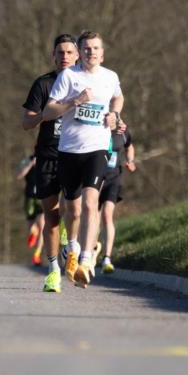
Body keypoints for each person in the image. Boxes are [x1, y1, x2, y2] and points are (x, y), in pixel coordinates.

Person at [42, 31, 124, 288]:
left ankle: (87, 260)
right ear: (80, 53)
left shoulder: (110, 77)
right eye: (86, 49)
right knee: (73, 210)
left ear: (102, 52)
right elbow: (47, 112)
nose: (91, 53)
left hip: (97, 149)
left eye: (96, 48)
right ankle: (74, 247)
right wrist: (75, 101)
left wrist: (115, 115)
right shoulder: (69, 76)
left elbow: (118, 97)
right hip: (69, 151)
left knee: (91, 204)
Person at [22, 34, 80, 291]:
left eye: (69, 52)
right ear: (53, 56)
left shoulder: (86, 83)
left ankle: (71, 243)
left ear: (78, 55)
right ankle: (53, 269)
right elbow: (26, 122)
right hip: (47, 155)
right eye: (60, 52)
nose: (65, 56)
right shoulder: (43, 84)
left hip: (75, 153)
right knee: (51, 215)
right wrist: (44, 116)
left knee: (74, 208)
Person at [99, 128, 136, 274]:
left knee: (107, 215)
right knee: (92, 215)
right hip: (95, 178)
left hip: (113, 179)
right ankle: (89, 251)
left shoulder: (123, 132)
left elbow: (130, 146)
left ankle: (106, 258)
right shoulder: (98, 128)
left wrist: (130, 160)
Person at [16, 155, 44, 264]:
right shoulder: (27, 160)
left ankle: (37, 254)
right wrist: (30, 164)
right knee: (31, 226)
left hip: (41, 197)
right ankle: (34, 232)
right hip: (30, 197)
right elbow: (19, 175)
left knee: (42, 223)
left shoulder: (47, 158)